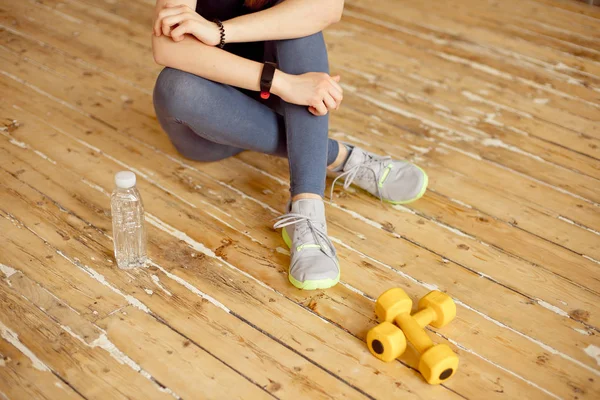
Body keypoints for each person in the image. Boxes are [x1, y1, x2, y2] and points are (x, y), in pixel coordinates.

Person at [151, 0, 428, 290]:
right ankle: (338, 156)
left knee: (300, 25)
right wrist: (282, 83)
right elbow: (167, 48)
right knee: (176, 88)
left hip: (281, 105)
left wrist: (218, 32)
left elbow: (327, 8)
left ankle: (307, 211)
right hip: (206, 121)